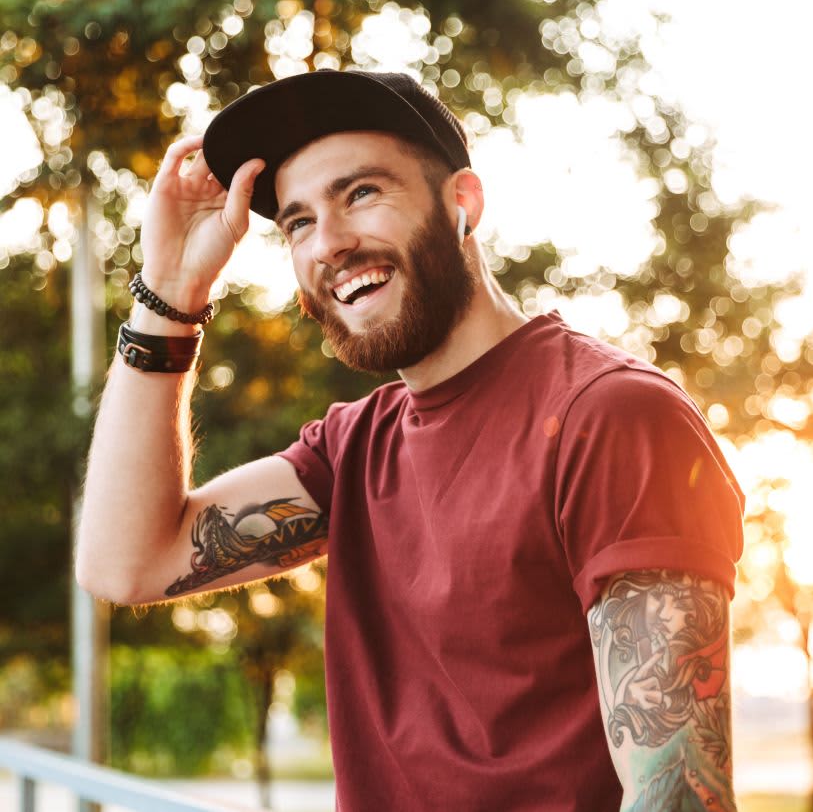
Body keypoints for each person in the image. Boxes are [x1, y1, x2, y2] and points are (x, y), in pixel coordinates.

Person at [76, 69, 745, 811]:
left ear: (462, 203)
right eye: (297, 222)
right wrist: (169, 293)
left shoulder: (609, 416)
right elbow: (124, 563)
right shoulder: (353, 448)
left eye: (360, 193)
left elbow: (678, 796)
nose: (328, 242)